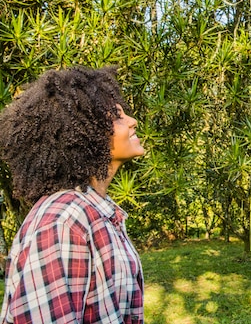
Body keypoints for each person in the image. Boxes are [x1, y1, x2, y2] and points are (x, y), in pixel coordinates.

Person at [0, 66, 146, 324]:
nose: (133, 121)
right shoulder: (62, 222)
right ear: (85, 133)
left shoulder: (96, 212)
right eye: (118, 117)